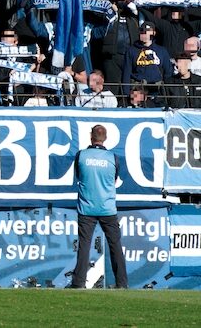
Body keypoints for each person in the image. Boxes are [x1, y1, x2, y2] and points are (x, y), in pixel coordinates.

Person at [69, 124, 128, 289]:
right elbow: (114, 179)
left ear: (91, 136)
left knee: (84, 245)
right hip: (107, 208)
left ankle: (78, 282)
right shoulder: (112, 158)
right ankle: (122, 283)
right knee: (115, 245)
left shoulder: (81, 156)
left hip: (86, 207)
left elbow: (78, 176)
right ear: (106, 138)